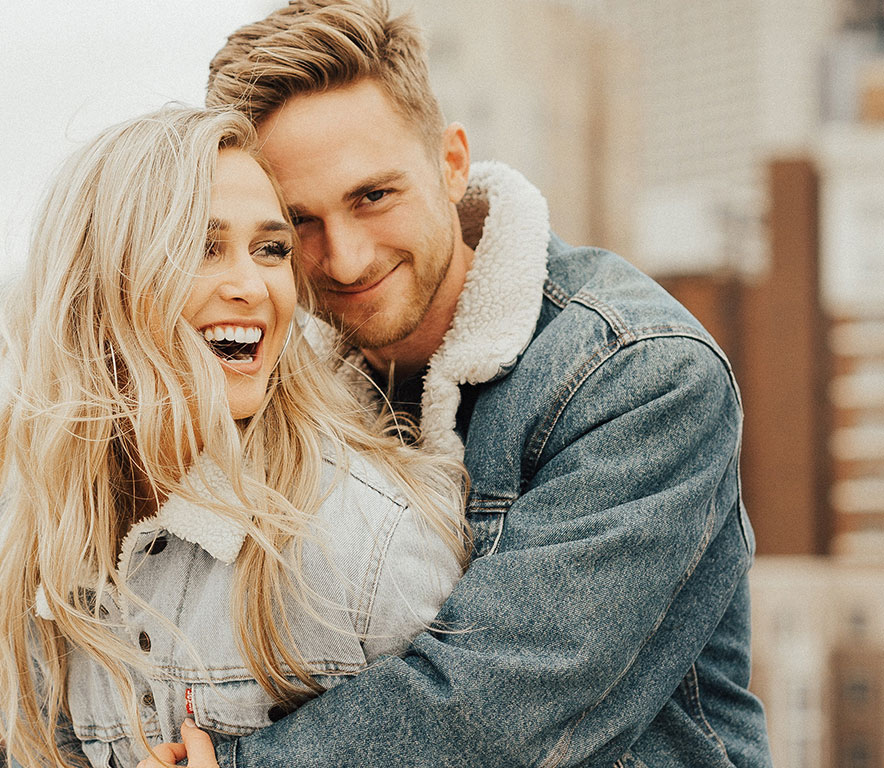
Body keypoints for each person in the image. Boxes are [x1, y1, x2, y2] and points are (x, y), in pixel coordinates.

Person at [174, 1, 776, 766]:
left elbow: (505, 705)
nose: (348, 259)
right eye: (300, 225)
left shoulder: (642, 373)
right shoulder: (282, 386)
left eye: (373, 196)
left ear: (451, 162)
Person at [0, 106, 470, 768]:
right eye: (202, 247)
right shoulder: (47, 548)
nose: (252, 286)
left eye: (271, 250)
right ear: (99, 286)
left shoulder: (368, 542)